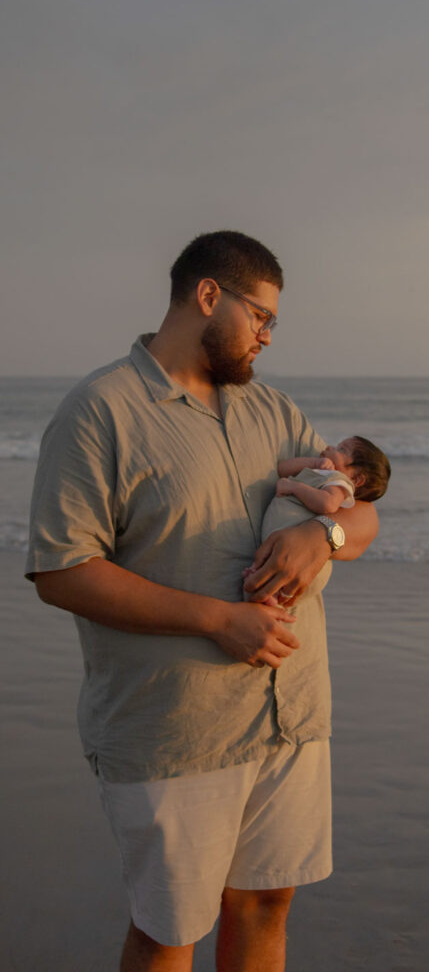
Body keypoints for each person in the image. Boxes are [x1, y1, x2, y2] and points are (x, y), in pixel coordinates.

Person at [25, 230, 378, 972]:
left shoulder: (273, 412)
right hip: (176, 728)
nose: (268, 338)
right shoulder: (100, 411)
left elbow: (361, 508)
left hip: (291, 715)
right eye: (262, 317)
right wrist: (219, 620)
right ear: (208, 296)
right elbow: (63, 570)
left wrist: (328, 538)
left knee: (264, 905)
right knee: (168, 930)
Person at [246, 436, 390, 606]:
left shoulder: (339, 482)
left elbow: (327, 504)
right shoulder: (322, 472)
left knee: (276, 575)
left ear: (356, 479)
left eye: (342, 450)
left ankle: (269, 600)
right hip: (284, 541)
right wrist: (314, 463)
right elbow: (281, 468)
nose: (331, 447)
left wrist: (294, 487)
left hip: (300, 554)